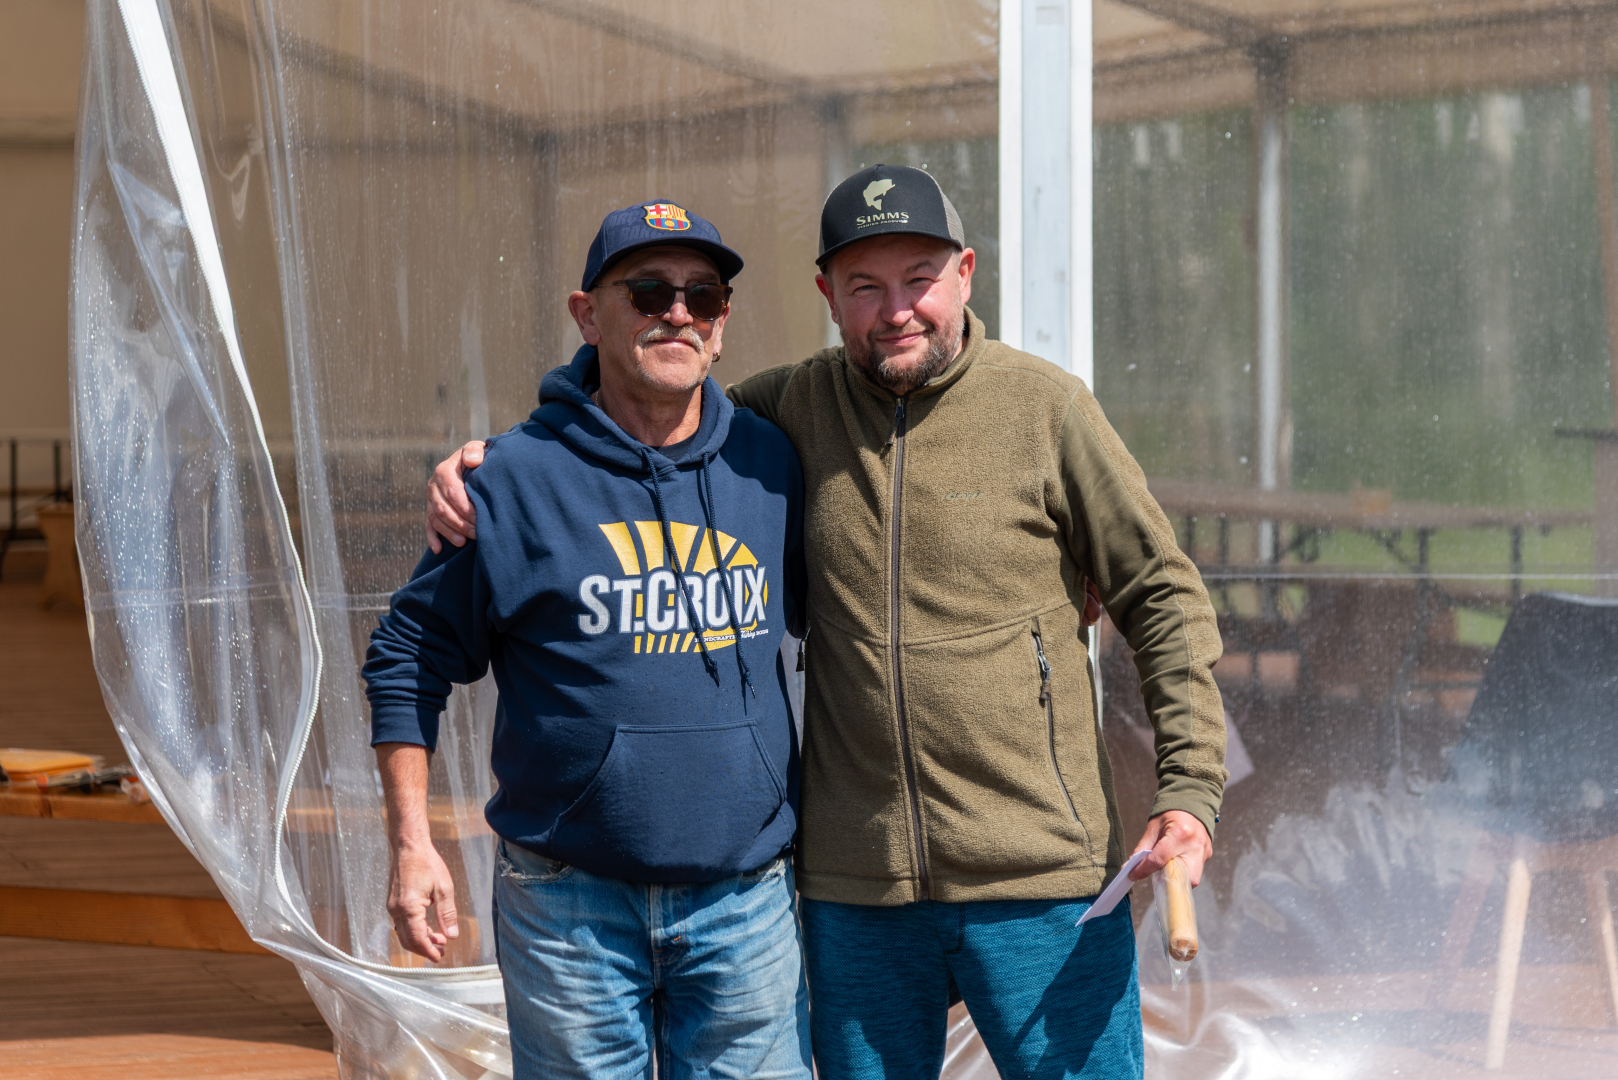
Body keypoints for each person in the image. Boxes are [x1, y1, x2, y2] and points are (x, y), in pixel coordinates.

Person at [425, 167, 1227, 1080]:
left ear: (966, 273)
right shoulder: (783, 413)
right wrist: (501, 458)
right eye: (865, 286)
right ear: (827, 295)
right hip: (856, 889)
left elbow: (1162, 594)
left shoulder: (1048, 410)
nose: (898, 310)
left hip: (1042, 880)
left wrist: (1187, 790)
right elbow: (643, 401)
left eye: (920, 278)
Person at [364, 202, 811, 1080]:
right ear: (587, 315)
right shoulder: (512, 480)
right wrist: (412, 844)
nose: (677, 313)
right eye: (647, 292)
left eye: (703, 296)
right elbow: (408, 657)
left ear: (722, 325)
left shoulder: (771, 463)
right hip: (569, 906)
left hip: (747, 903)